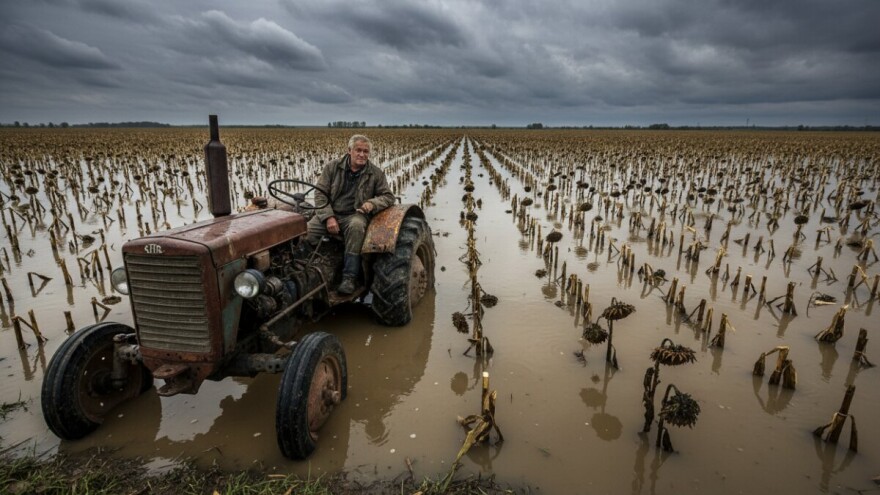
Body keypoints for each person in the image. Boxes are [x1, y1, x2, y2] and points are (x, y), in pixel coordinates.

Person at [307, 134, 395, 294]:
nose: (362, 154)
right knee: (306, 232)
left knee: (356, 227)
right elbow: (320, 194)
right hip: (332, 213)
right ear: (349, 151)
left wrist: (372, 203)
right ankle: (308, 270)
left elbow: (388, 197)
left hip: (355, 215)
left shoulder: (375, 173)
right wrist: (328, 217)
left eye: (366, 151)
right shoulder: (332, 167)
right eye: (358, 150)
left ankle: (349, 277)